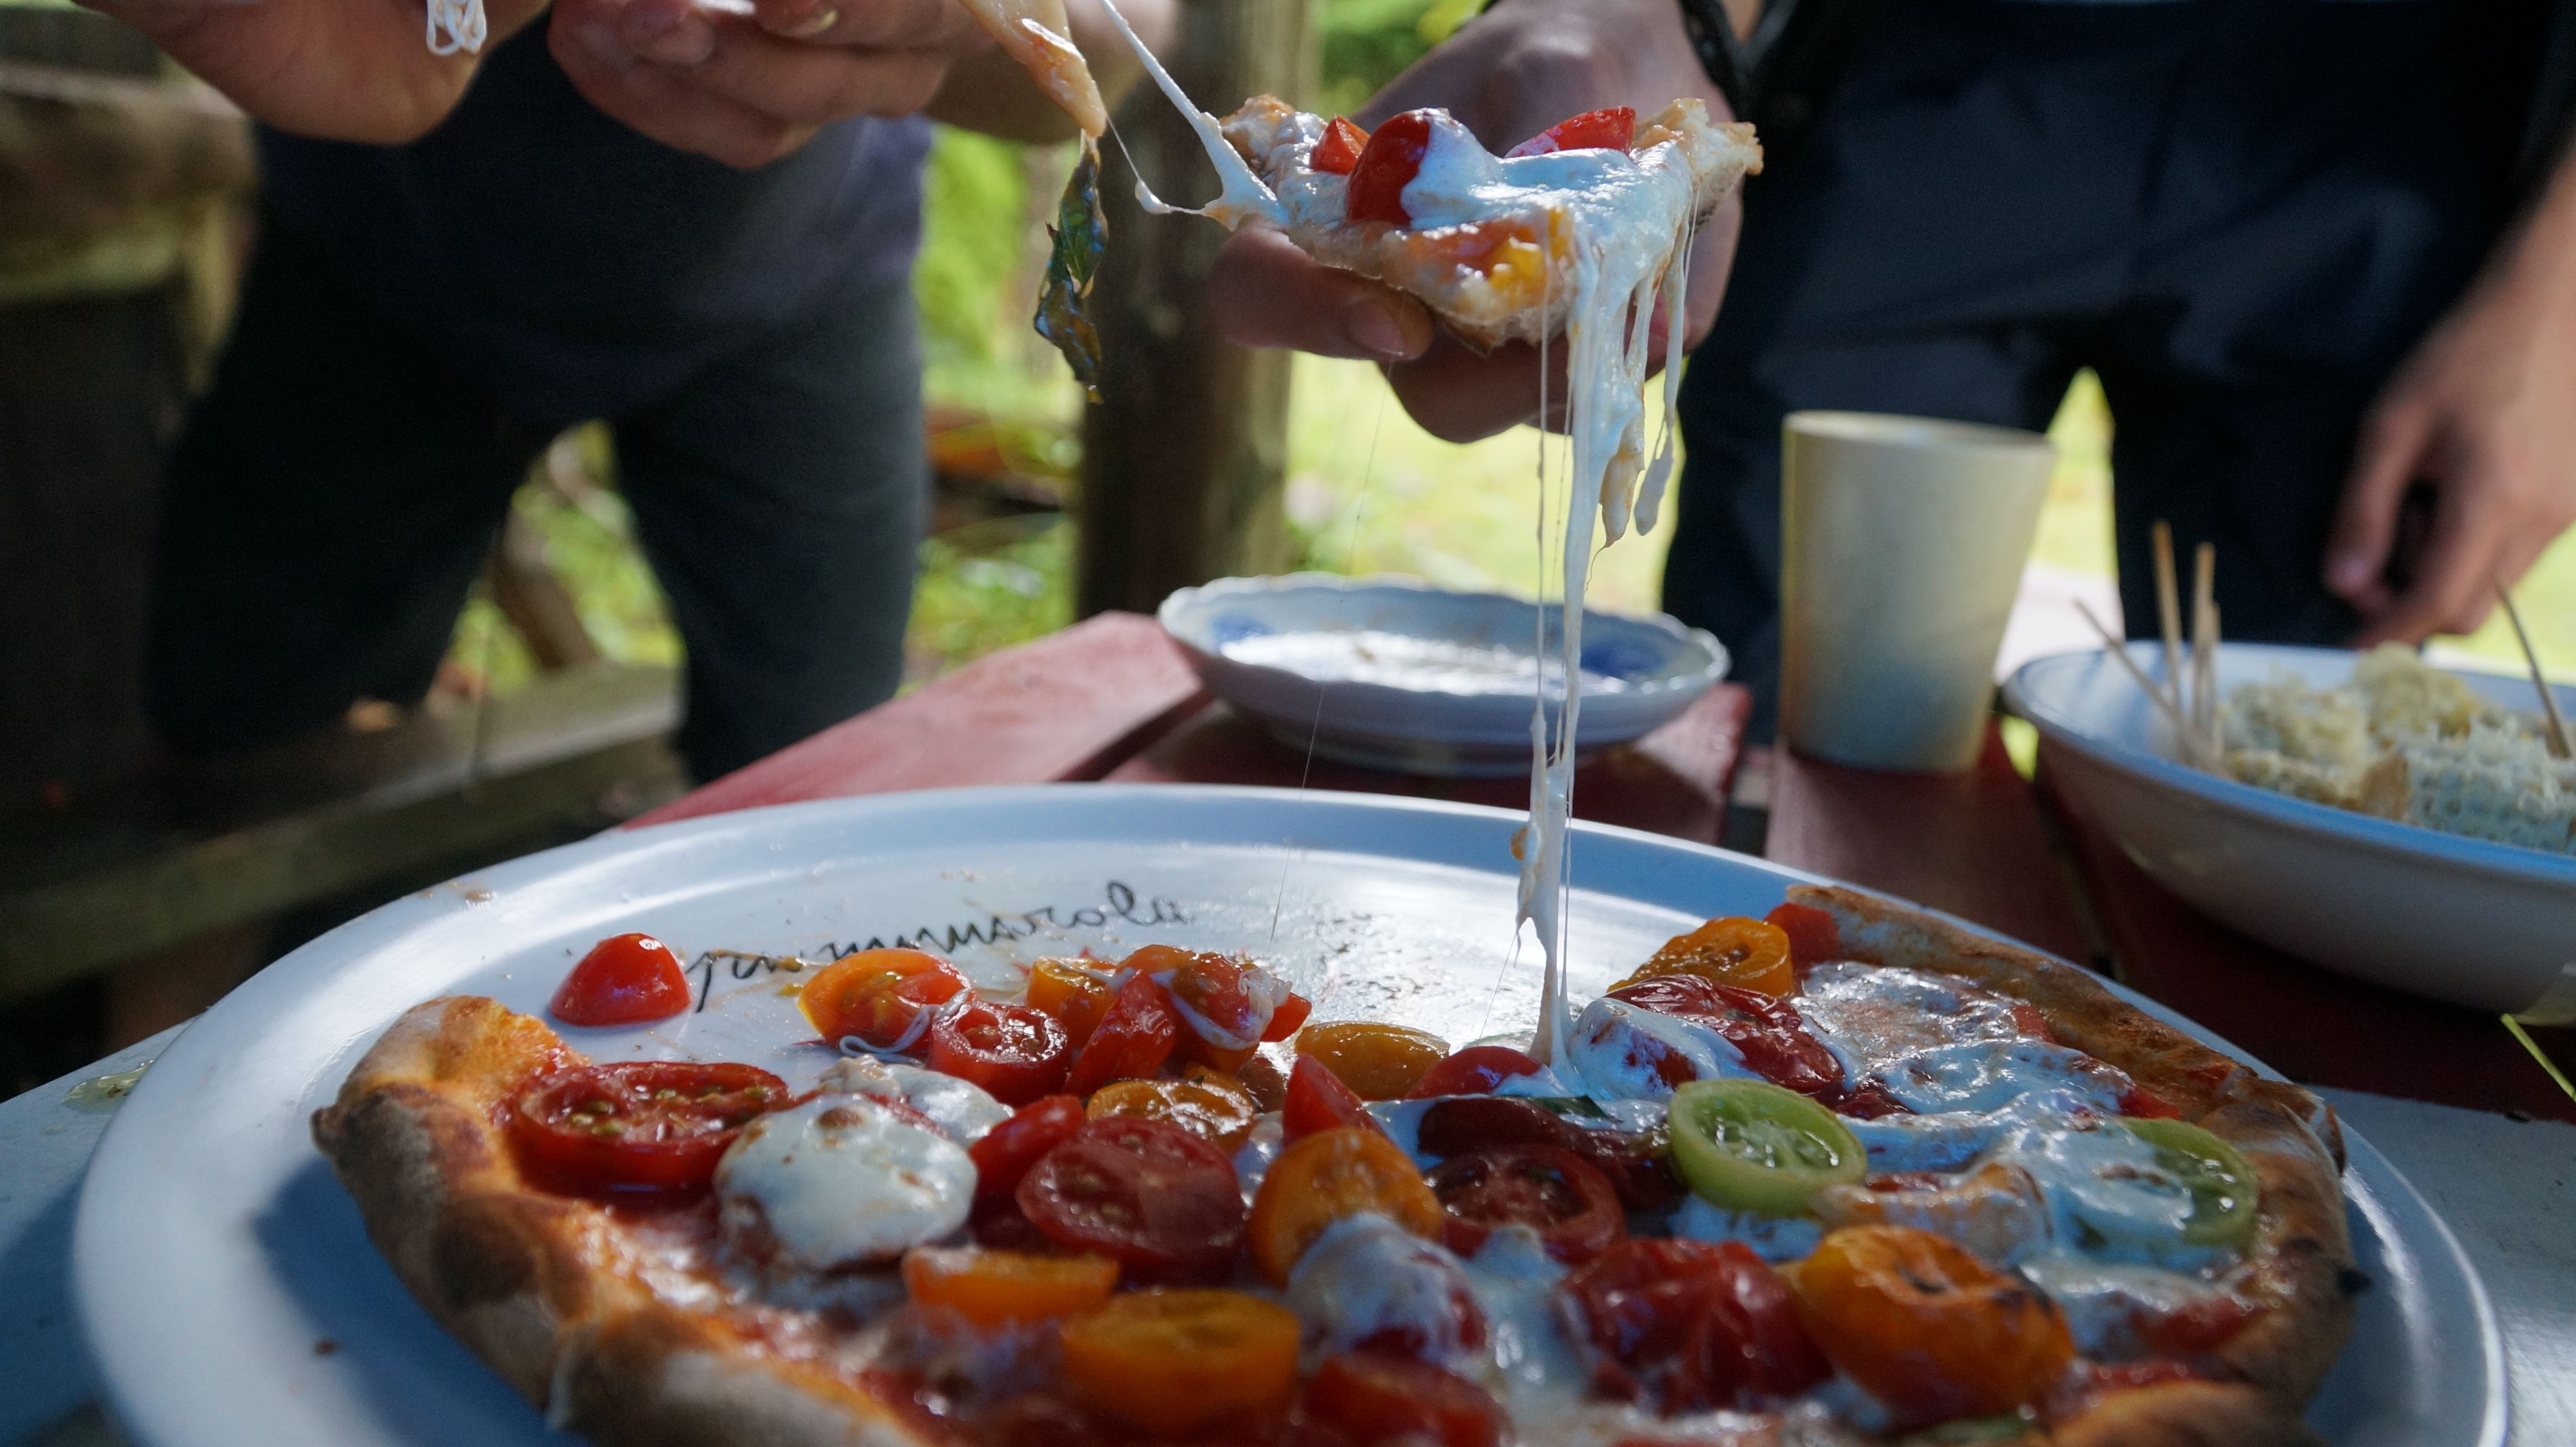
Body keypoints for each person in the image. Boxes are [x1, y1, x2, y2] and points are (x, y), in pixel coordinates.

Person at [1212, 0, 2576, 738]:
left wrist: (2560, 300)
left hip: (2399, 119)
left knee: (2295, 757)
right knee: (1790, 733)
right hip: (1915, 89)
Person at [92, 0, 1168, 781]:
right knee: (230, 752)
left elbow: (1123, 37)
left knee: (817, 762)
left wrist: (952, 30)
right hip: (377, 259)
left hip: (803, 281)